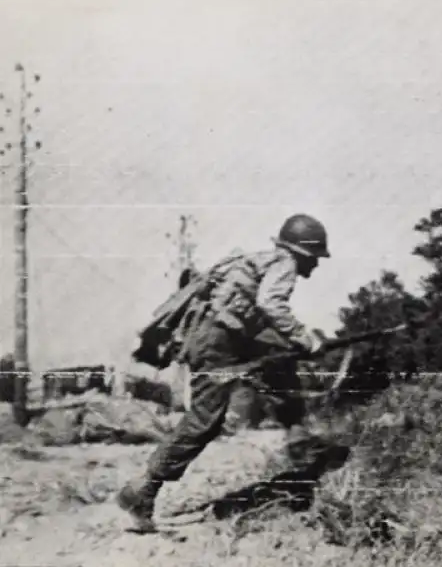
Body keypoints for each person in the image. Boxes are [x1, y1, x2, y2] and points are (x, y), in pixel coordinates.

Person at [117, 214, 344, 530]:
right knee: (205, 420)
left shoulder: (260, 261)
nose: (316, 266)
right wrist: (305, 337)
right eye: (316, 258)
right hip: (218, 341)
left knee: (280, 359)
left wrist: (298, 345)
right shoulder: (285, 264)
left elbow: (260, 325)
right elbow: (271, 305)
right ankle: (142, 491)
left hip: (217, 336)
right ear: (303, 252)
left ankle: (298, 437)